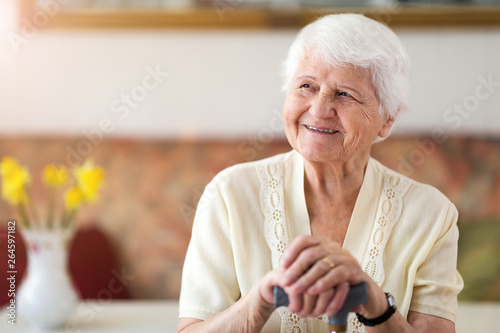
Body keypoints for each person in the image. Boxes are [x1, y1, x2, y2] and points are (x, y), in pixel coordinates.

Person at [177, 13, 463, 333]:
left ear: (387, 119)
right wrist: (259, 300)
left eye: (345, 94)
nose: (319, 109)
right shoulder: (229, 194)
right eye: (307, 86)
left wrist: (376, 305)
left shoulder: (432, 214)